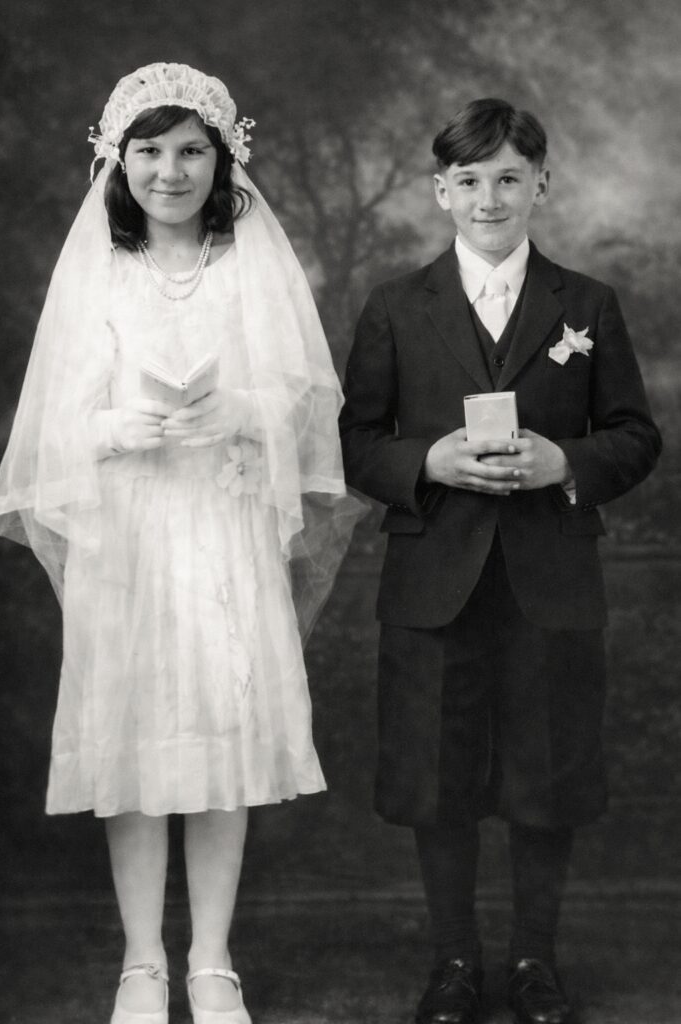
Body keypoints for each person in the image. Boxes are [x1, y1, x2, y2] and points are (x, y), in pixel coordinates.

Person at [0, 62, 358, 1024]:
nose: (171, 171)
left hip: (223, 528)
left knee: (222, 743)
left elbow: (305, 402)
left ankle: (211, 960)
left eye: (192, 150)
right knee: (135, 746)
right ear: (118, 162)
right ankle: (141, 963)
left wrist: (242, 409)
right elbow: (46, 428)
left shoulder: (250, 267)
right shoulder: (99, 270)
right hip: (127, 538)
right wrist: (114, 428)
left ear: (222, 160)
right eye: (150, 151)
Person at [339, 98, 661, 1024]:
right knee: (437, 776)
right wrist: (425, 463)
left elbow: (634, 434)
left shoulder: (584, 305)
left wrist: (568, 463)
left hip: (548, 577)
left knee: (545, 772)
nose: (489, 198)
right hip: (432, 578)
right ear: (440, 191)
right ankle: (452, 961)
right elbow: (356, 440)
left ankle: (532, 961)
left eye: (509, 178)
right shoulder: (396, 305)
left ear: (541, 186)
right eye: (470, 181)